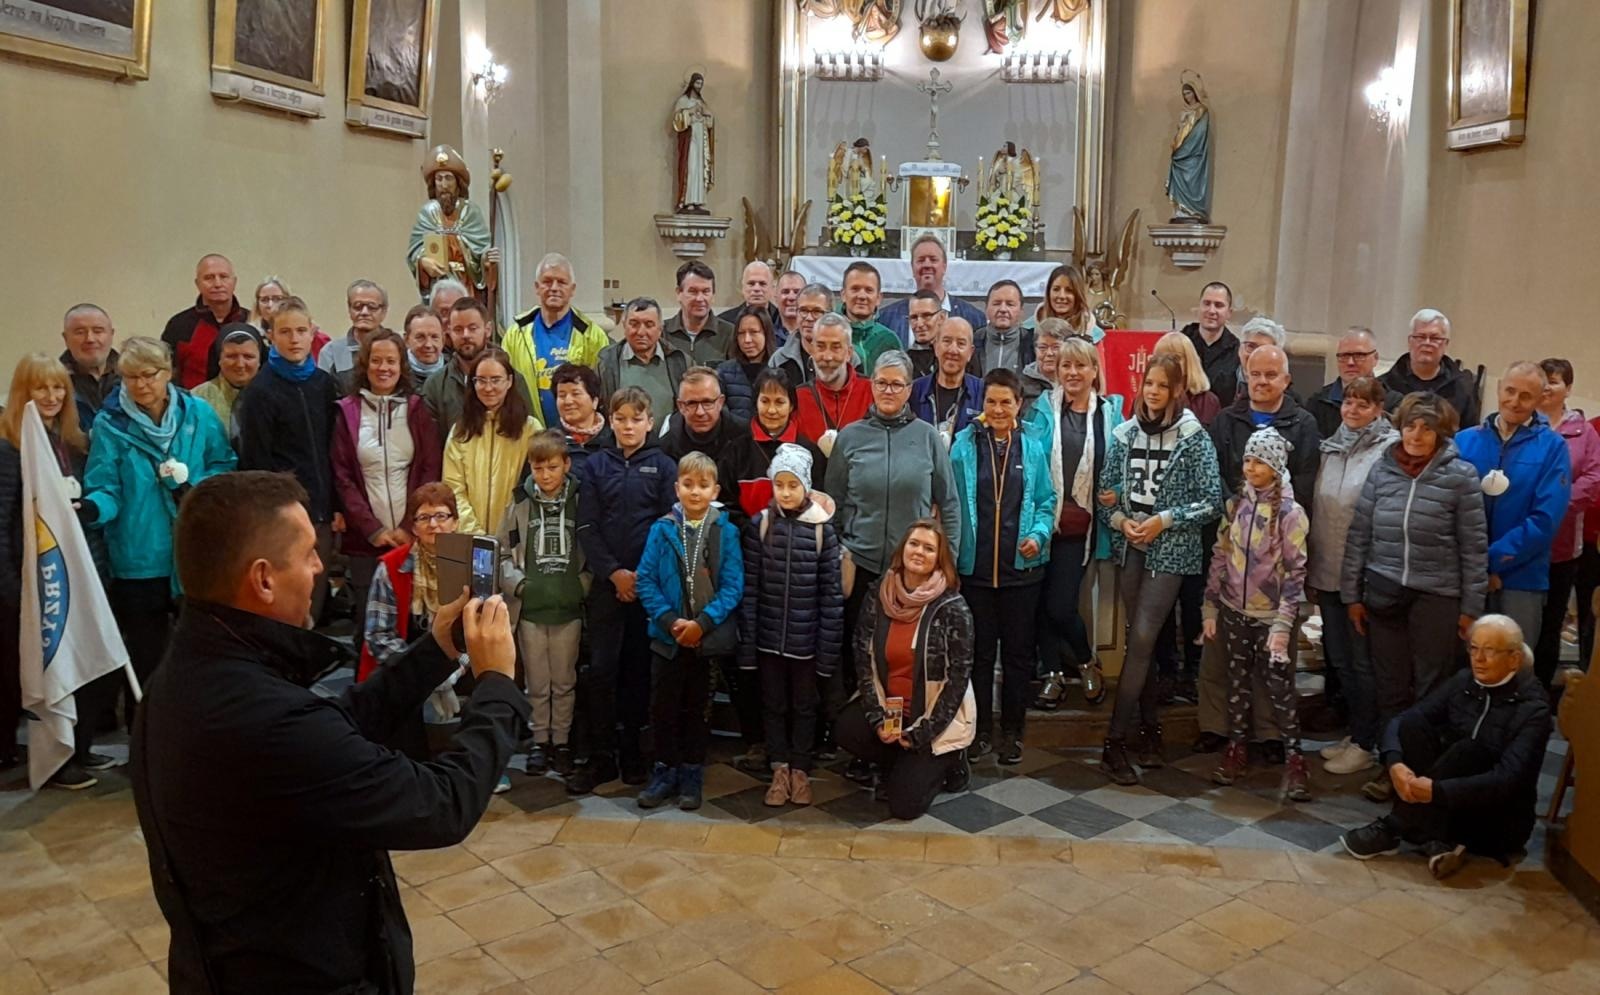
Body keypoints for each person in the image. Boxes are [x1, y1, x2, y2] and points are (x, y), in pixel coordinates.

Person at [133, 471, 527, 993]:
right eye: (308, 554)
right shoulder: (262, 719)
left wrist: (435, 650)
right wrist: (497, 684)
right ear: (263, 579)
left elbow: (330, 728)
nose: (321, 567)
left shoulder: (191, 671)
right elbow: (441, 805)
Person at [1342, 392, 1488, 802]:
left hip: (1437, 595)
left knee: (1430, 688)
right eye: (1410, 426)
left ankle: (1422, 771)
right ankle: (1392, 767)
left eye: (1427, 428)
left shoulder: (1461, 476)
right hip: (1384, 589)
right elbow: (1360, 535)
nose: (1417, 435)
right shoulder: (1382, 470)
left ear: (1441, 433)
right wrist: (1352, 593)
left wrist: (1471, 608)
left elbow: (1474, 548)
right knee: (1391, 688)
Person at [827, 351, 960, 779]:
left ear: (909, 390)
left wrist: (946, 564)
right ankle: (868, 750)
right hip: (864, 568)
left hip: (915, 575)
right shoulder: (850, 437)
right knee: (865, 661)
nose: (888, 391)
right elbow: (833, 503)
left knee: (909, 664)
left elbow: (950, 504)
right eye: (881, 383)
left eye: (897, 385)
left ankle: (915, 743)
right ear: (871, 386)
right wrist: (845, 549)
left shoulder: (926, 438)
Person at [1341, 615, 1552, 881]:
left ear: (1514, 659)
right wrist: (1394, 763)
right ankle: (1436, 838)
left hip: (1497, 820)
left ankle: (1397, 826)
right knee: (1412, 727)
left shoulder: (1534, 709)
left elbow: (1507, 779)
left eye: (1490, 651)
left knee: (1469, 750)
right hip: (1448, 803)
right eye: (1474, 648)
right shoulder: (1465, 682)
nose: (1479, 658)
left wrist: (1437, 790)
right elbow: (1404, 720)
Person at [83, 337, 236, 691]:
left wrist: (194, 483)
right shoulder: (110, 425)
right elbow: (105, 485)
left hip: (191, 553)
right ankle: (148, 732)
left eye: (149, 375)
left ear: (167, 373)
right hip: (138, 557)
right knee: (147, 658)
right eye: (131, 377)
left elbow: (223, 464)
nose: (141, 385)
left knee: (196, 653)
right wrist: (93, 507)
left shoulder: (197, 413)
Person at [1097, 354, 1222, 784]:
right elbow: (1105, 493)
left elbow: (1211, 502)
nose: (1152, 392)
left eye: (1161, 386)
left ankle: (1113, 743)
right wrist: (1121, 520)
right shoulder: (1124, 434)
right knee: (1141, 644)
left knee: (1144, 637)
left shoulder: (1192, 437)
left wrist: (1163, 520)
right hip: (1132, 546)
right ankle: (1149, 732)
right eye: (1148, 383)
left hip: (1170, 549)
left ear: (1175, 391)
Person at [1196, 336, 1321, 754]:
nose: (1262, 381)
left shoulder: (1301, 423)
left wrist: (1276, 510)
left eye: (1271, 375)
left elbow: (1305, 477)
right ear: (1244, 375)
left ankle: (1268, 733)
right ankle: (1218, 727)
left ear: (1286, 379)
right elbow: (1213, 469)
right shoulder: (1228, 420)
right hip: (1232, 538)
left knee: (1270, 661)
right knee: (1222, 655)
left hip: (1274, 549)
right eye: (1256, 374)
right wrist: (1234, 501)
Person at [0, 355, 112, 787]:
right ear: (21, 394)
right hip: (25, 587)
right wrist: (12, 590)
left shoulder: (69, 442)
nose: (50, 397)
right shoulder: (10, 448)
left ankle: (77, 750)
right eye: (39, 389)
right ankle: (46, 761)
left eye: (58, 388)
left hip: (64, 579)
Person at [570, 386, 678, 794]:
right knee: (601, 670)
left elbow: (668, 525)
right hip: (606, 586)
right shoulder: (596, 466)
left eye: (636, 418)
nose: (628, 426)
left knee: (638, 671)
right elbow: (586, 527)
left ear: (650, 422)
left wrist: (640, 577)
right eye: (621, 418)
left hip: (647, 588)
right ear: (610, 420)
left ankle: (634, 753)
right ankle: (600, 757)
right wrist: (613, 573)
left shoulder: (664, 466)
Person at [950, 369, 1055, 764]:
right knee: (977, 656)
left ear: (1018, 405)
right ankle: (978, 732)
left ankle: (1012, 731)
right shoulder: (962, 446)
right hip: (975, 572)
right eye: (991, 402)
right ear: (983, 405)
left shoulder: (1032, 447)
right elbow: (951, 504)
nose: (997, 409)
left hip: (1021, 573)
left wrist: (1040, 535)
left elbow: (1047, 501)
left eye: (1005, 403)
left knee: (1017, 657)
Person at [837, 520, 975, 819]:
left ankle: (950, 760)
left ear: (939, 558)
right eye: (914, 544)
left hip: (932, 717)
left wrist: (921, 733)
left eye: (929, 548)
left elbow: (957, 682)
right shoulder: (878, 595)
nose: (919, 552)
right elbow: (864, 660)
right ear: (902, 549)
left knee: (904, 807)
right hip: (892, 708)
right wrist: (878, 718)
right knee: (846, 728)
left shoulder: (953, 607)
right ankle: (897, 761)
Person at [1203, 427, 1312, 797]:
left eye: (1259, 462)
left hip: (1271, 618)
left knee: (1279, 687)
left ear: (1276, 467)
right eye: (1248, 460)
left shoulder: (1290, 514)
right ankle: (1236, 748)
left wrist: (1283, 623)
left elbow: (1296, 573)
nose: (1250, 467)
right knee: (1237, 681)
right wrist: (1211, 605)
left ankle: (1296, 760)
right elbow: (1220, 556)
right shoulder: (1236, 506)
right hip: (1235, 609)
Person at [634, 451, 744, 810]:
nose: (695, 492)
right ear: (676, 487)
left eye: (703, 485)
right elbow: (646, 579)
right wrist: (669, 620)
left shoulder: (724, 530)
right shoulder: (662, 528)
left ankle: (692, 773)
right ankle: (664, 770)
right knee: (662, 707)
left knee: (698, 709)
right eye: (688, 484)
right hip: (667, 638)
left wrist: (702, 624)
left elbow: (733, 585)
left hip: (704, 640)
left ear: (715, 490)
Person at [741, 444, 843, 806]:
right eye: (779, 485)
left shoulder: (822, 531)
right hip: (769, 640)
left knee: (804, 706)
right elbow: (750, 588)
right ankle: (779, 767)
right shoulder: (761, 526)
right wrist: (749, 645)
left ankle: (800, 767)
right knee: (773, 705)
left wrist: (826, 654)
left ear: (806, 487)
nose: (785, 492)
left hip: (806, 643)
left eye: (792, 485)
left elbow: (830, 598)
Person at [1308, 376, 1398, 775]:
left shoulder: (1388, 449)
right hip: (1328, 566)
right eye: (1348, 402)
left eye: (1363, 404)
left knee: (1363, 664)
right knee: (1341, 660)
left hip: (1361, 572)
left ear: (1379, 408)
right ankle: (1357, 732)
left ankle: (1367, 741)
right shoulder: (1332, 445)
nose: (1353, 410)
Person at [331, 328, 443, 649]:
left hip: (413, 538)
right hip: (367, 541)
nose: (384, 368)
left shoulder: (416, 409)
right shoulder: (348, 412)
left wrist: (410, 526)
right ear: (365, 366)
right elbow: (343, 476)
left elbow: (428, 470)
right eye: (376, 361)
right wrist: (374, 530)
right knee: (371, 626)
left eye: (391, 361)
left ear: (401, 366)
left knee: (413, 623)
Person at [1031, 336, 1124, 710]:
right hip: (1040, 520)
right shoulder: (1042, 410)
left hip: (1079, 528)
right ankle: (1052, 673)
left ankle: (1086, 661)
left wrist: (1114, 491)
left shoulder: (1109, 413)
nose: (1072, 372)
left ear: (1094, 370)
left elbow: (1118, 461)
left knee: (1060, 606)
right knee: (1039, 603)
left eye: (1080, 365)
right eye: (1066, 365)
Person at [236, 297, 342, 623]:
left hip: (323, 512)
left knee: (316, 596)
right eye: (285, 332)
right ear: (271, 336)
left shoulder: (323, 385)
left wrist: (336, 505)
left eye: (300, 330)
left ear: (313, 333)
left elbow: (336, 451)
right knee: (287, 600)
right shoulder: (260, 392)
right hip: (285, 514)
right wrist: (275, 513)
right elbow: (256, 463)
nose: (294, 339)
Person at [1456, 361, 1572, 651]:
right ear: (1498, 388)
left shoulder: (1553, 448)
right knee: (1463, 664)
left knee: (1514, 666)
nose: (1515, 401)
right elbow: (1447, 508)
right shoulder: (1464, 441)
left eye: (1526, 396)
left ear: (1539, 399)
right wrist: (1475, 565)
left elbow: (1545, 520)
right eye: (1510, 391)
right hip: (1465, 575)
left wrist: (1492, 560)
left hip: (1522, 577)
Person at [498, 430, 588, 778]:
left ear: (566, 464)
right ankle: (539, 740)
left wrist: (582, 586)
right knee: (536, 680)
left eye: (553, 467)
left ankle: (562, 740)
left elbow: (593, 548)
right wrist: (518, 584)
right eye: (538, 468)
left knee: (563, 680)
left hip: (567, 607)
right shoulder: (519, 502)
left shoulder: (580, 500)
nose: (546, 475)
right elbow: (503, 550)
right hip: (531, 608)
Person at [359, 482, 465, 760]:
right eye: (424, 517)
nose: (434, 524)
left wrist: (452, 671)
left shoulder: (468, 564)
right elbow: (378, 636)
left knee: (489, 680)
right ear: (414, 527)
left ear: (455, 522)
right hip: (403, 662)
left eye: (442, 516)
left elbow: (476, 629)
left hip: (456, 662)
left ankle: (479, 764)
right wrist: (423, 674)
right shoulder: (391, 566)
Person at [1533, 359, 1600, 686]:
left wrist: (1555, 505)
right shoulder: (1522, 424)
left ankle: (1540, 696)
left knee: (1552, 622)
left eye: (1555, 382)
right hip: (1521, 541)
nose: (1547, 387)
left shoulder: (1584, 431)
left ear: (1568, 389)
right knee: (1518, 622)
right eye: (1542, 381)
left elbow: (1593, 477)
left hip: (1563, 545)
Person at [503, 252, 611, 428]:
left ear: (572, 289)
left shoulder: (593, 335)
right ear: (537, 287)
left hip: (578, 437)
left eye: (561, 282)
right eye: (547, 282)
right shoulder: (515, 334)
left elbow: (601, 392)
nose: (554, 288)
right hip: (529, 433)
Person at [443, 347, 540, 536]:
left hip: (517, 537)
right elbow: (453, 489)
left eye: (495, 380)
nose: (488, 388)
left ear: (509, 381)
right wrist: (476, 534)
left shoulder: (530, 429)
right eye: (481, 380)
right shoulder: (461, 431)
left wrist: (510, 531)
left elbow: (537, 487)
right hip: (469, 537)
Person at [423, 298, 534, 443]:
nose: (466, 335)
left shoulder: (512, 380)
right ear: (448, 332)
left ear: (488, 330)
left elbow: (529, 438)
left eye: (473, 328)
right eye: (458, 329)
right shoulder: (435, 386)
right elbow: (430, 446)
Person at [723, 368, 826, 520]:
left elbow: (818, 502)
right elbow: (727, 502)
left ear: (791, 406)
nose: (771, 410)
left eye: (779, 402)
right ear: (755, 403)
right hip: (746, 539)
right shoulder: (737, 449)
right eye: (765, 401)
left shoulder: (809, 452)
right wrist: (750, 531)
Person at [876, 233, 987, 345]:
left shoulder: (974, 318)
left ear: (944, 266)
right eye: (921, 260)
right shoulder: (887, 318)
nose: (927, 265)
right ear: (912, 267)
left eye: (933, 260)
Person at [1381, 309, 1482, 428]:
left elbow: (1468, 434)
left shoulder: (1462, 387)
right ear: (1410, 341)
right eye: (1420, 337)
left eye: (1435, 338)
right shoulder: (1384, 386)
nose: (1427, 343)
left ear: (1446, 344)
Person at [162, 253, 250, 389]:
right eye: (209, 278)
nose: (217, 284)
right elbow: (165, 372)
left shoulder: (251, 321)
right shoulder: (179, 325)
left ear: (234, 282)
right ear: (197, 284)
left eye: (224, 277)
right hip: (192, 406)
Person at [598, 297, 690, 425]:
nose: (641, 332)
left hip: (670, 443)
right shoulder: (606, 362)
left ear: (660, 329)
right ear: (624, 326)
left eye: (649, 325)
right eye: (634, 324)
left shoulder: (680, 361)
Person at [1307, 327, 1403, 439]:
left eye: (1359, 355)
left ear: (1375, 358)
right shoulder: (1319, 402)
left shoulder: (1393, 402)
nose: (1350, 362)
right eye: (1344, 356)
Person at [795, 313, 873, 449]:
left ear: (849, 353)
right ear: (812, 350)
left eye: (836, 347)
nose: (827, 357)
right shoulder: (798, 397)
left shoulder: (871, 391)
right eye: (820, 346)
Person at [910, 317, 983, 446]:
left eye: (961, 343)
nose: (952, 350)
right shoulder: (914, 391)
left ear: (970, 352)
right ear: (936, 347)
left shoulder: (983, 393)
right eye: (947, 341)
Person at [192, 324, 263, 440]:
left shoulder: (276, 397)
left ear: (260, 360)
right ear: (219, 359)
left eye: (248, 357)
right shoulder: (196, 400)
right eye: (231, 356)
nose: (240, 364)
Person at [318, 279, 389, 392]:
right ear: (349, 310)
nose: (364, 312)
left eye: (372, 307)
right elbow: (325, 397)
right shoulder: (331, 352)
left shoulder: (397, 348)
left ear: (384, 311)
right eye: (357, 306)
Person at [59, 302, 120, 430]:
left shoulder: (133, 377)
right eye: (80, 332)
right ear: (66, 338)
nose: (90, 339)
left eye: (98, 331)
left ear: (111, 334)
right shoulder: (53, 381)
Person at [1179, 282, 1239, 408]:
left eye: (1219, 305)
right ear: (1198, 307)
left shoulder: (1237, 351)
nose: (1212, 311)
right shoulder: (1180, 343)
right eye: (1206, 303)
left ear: (1229, 313)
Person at [716, 305, 778, 424]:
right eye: (741, 333)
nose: (747, 340)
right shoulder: (723, 372)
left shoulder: (780, 368)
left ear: (766, 333)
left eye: (754, 332)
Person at [664, 260, 733, 364]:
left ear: (713, 295)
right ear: (679, 293)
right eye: (693, 291)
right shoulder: (662, 333)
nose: (700, 298)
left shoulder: (729, 334)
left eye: (706, 291)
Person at [838, 262, 902, 373]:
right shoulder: (831, 335)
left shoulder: (888, 339)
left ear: (878, 298)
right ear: (843, 295)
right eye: (855, 289)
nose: (862, 296)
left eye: (869, 290)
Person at [549, 362, 614, 473]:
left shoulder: (615, 439)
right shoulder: (548, 442)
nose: (568, 401)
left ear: (595, 401)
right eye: (562, 395)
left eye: (576, 393)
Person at [1153, 330, 1221, 426]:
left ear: (1189, 361)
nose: (1168, 364)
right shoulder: (1147, 398)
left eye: (1176, 358)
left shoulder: (1208, 402)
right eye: (1162, 358)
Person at [971, 280, 1034, 376]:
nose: (1003, 309)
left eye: (1010, 304)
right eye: (996, 303)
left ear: (1021, 311)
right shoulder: (973, 340)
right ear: (986, 308)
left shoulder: (1032, 344)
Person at [770, 283, 827, 387]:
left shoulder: (846, 358)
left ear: (830, 315)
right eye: (803, 311)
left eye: (817, 311)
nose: (809, 318)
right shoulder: (779, 360)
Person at [1025, 264, 1100, 341]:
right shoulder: (1030, 327)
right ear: (1048, 292)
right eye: (1056, 289)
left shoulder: (1092, 332)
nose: (1061, 296)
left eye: (1069, 290)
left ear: (1078, 294)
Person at [717, 260, 783, 331]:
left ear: (772, 288)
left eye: (762, 284)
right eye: (751, 283)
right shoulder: (723, 322)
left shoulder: (782, 320)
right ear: (743, 288)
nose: (756, 289)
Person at [1019, 317, 1064, 413]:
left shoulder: (1077, 384)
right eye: (1042, 347)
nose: (1049, 353)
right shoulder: (1020, 386)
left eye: (1056, 347)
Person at [904, 289, 945, 379]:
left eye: (926, 316)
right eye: (914, 317)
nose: (920, 324)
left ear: (941, 317)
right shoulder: (904, 363)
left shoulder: (956, 356)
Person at [402, 304, 447, 380]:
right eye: (420, 337)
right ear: (406, 340)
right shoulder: (396, 374)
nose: (428, 344)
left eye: (434, 337)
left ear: (443, 339)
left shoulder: (457, 372)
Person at [772, 268, 807, 344]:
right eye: (785, 292)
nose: (791, 297)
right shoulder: (766, 330)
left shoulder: (816, 331)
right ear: (776, 295)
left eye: (797, 292)